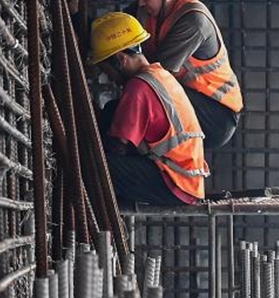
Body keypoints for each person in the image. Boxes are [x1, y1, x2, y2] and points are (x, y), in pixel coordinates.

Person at [122, 0, 243, 149]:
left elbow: (157, 77)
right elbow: (117, 33)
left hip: (216, 115)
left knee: (145, 92)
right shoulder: (147, 10)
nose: (140, 3)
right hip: (188, 96)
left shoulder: (193, 21)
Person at [89, 12, 210, 206]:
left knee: (94, 166)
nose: (108, 77)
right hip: (186, 179)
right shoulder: (159, 74)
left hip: (174, 182)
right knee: (113, 109)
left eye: (106, 69)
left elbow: (117, 147)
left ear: (120, 60)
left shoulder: (139, 87)